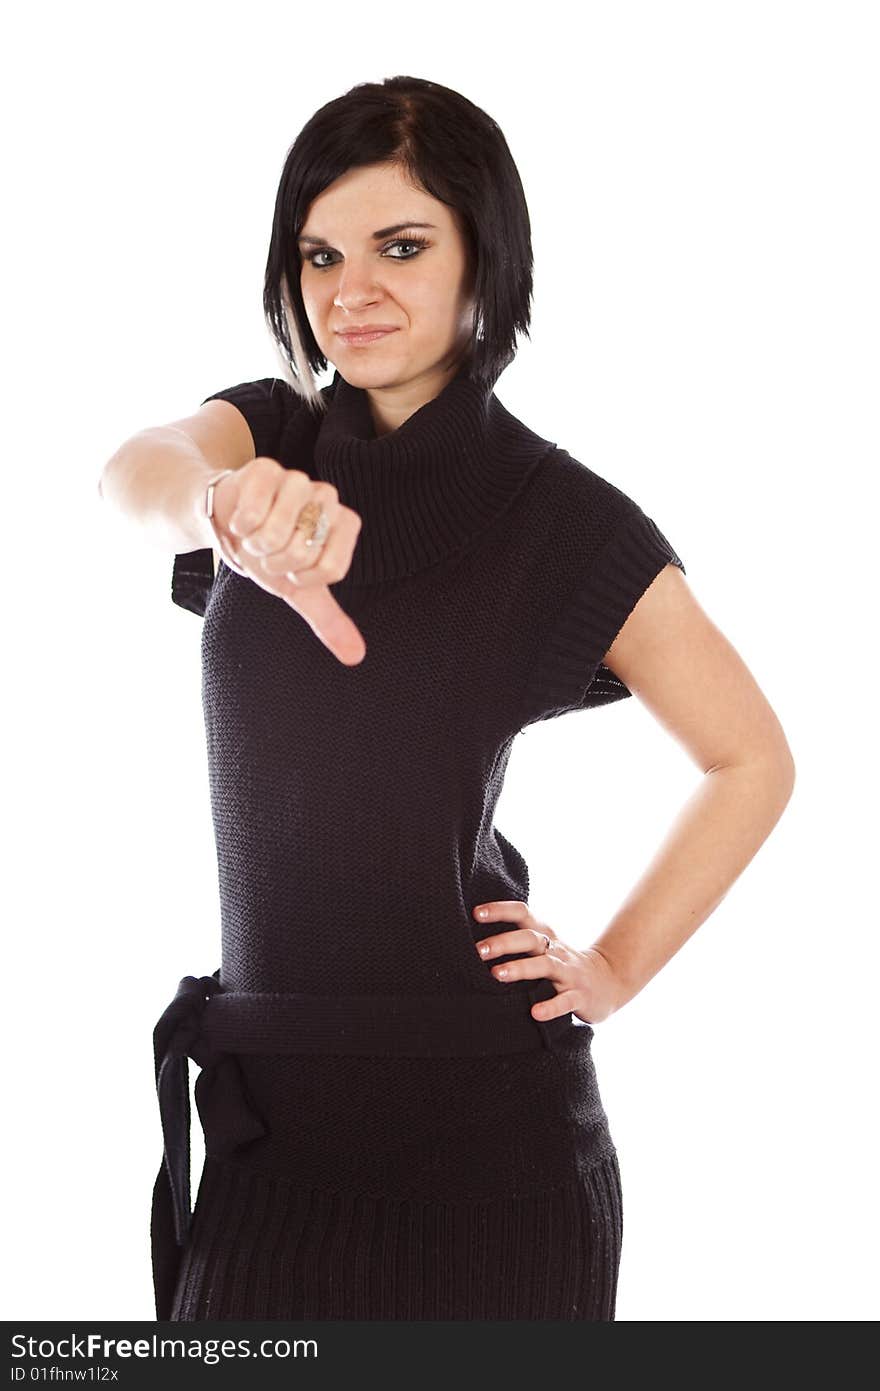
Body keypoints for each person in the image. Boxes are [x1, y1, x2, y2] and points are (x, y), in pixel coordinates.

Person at [99, 76, 795, 1323]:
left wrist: (613, 968)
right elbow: (130, 472)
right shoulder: (265, 442)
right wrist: (220, 507)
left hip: (492, 1159)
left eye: (401, 246)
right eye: (318, 253)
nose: (348, 290)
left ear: (489, 257)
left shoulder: (564, 523)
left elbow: (750, 759)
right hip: (269, 1146)